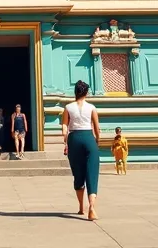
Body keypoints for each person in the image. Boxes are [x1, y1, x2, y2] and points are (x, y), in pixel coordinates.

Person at [62, 79, 101, 221]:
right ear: (86, 92)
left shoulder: (67, 107)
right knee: (92, 173)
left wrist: (65, 141)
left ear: (75, 92)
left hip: (74, 139)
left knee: (78, 174)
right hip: (88, 138)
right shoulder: (91, 107)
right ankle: (91, 207)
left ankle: (81, 207)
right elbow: (97, 128)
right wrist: (96, 141)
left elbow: (65, 126)